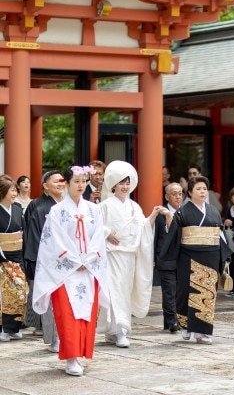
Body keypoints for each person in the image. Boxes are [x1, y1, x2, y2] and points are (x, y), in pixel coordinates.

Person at [33, 165, 110, 377]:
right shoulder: (57, 211)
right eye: (76, 181)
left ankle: (81, 353)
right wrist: (76, 260)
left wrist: (90, 258)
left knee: (87, 314)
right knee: (67, 315)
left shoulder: (94, 209)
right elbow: (54, 241)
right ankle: (71, 358)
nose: (80, 185)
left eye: (84, 181)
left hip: (88, 269)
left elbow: (97, 239)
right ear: (66, 184)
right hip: (65, 271)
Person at [97, 160, 166, 347]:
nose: (125, 186)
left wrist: (151, 216)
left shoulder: (134, 207)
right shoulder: (104, 206)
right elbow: (95, 226)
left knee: (124, 292)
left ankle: (115, 330)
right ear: (113, 185)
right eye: (121, 183)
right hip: (111, 255)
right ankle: (119, 330)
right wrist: (106, 233)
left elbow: (143, 227)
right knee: (114, 291)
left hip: (129, 255)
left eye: (127, 183)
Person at [159, 175, 231, 345]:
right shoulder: (182, 212)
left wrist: (225, 256)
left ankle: (203, 332)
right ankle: (186, 326)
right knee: (185, 292)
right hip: (188, 256)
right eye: (198, 189)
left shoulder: (213, 211)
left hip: (211, 256)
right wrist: (168, 258)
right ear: (190, 192)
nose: (202, 192)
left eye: (205, 189)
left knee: (208, 293)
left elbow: (220, 235)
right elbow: (175, 235)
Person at [23, 170, 64, 351]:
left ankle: (64, 336)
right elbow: (33, 238)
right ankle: (53, 339)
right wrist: (34, 263)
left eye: (62, 180)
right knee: (50, 304)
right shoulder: (40, 208)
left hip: (67, 262)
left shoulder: (68, 206)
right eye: (56, 181)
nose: (60, 184)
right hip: (48, 262)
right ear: (45, 186)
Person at [0, 175, 28, 342]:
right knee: (4, 295)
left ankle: (14, 327)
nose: (15, 193)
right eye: (12, 190)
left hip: (17, 255)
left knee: (20, 292)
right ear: (3, 192)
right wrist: (3, 257)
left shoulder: (17, 208)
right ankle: (3, 328)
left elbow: (22, 232)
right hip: (2, 257)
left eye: (15, 190)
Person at [154, 182, 183, 333]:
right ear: (166, 196)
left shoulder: (185, 212)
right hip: (165, 259)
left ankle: (171, 321)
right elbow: (154, 238)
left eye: (180, 193)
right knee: (169, 291)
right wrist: (153, 258)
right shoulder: (160, 214)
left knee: (180, 291)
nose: (178, 197)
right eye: (174, 193)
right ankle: (172, 322)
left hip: (182, 259)